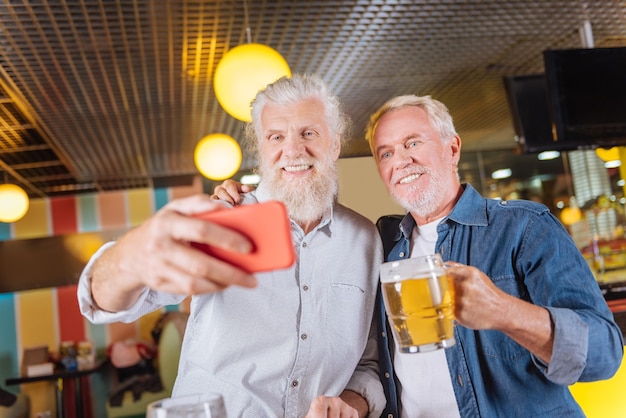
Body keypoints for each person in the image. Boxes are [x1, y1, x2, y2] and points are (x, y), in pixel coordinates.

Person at [77, 74, 386, 418]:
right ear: (261, 148)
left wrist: (350, 407)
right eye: (276, 136)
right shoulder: (220, 218)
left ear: (335, 144)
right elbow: (104, 301)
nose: (293, 150)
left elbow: (367, 366)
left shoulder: (364, 240)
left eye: (309, 133)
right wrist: (131, 256)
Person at [365, 94, 624, 417]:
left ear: (452, 149)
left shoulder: (523, 226)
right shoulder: (386, 250)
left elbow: (604, 353)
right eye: (386, 153)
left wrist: (504, 312)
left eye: (413, 143)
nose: (400, 160)